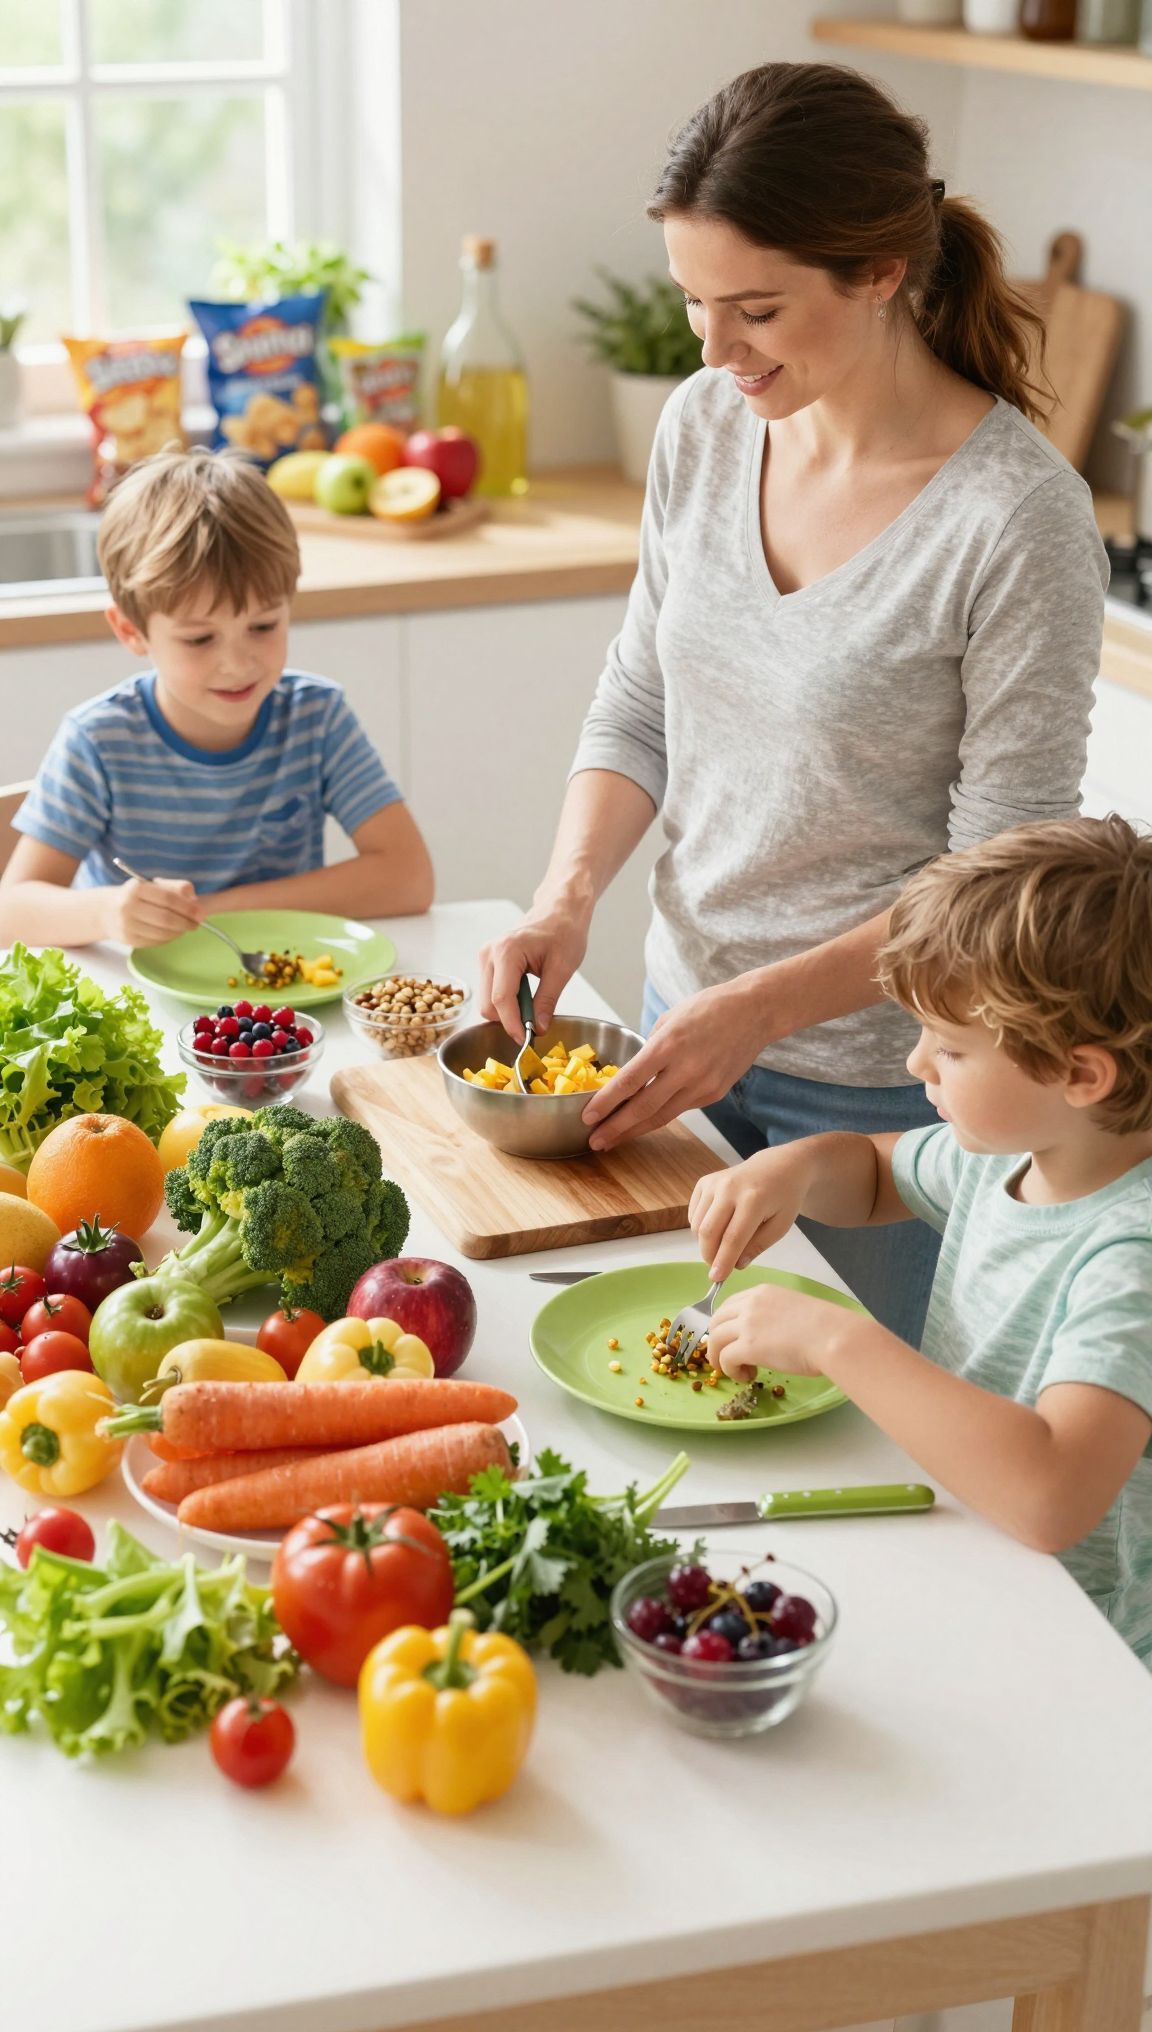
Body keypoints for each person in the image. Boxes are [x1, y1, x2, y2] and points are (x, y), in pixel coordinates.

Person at [478, 62, 1107, 1348]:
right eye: (696, 303)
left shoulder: (1015, 520)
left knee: (850, 1467)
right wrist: (565, 895)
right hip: (678, 1035)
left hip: (900, 1105)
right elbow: (642, 694)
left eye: (755, 308)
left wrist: (762, 1006)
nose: (713, 351)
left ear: (878, 271)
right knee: (672, 1409)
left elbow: (993, 892)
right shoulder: (707, 428)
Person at [692, 814, 1152, 1672]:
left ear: (1081, 1075)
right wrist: (789, 1171)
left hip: (1077, 1651)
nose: (915, 1068)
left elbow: (1052, 1493)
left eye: (950, 1048)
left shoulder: (1132, 1254)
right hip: (970, 1562)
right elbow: (870, 1175)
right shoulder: (1015, 1154)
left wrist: (836, 1339)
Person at [0, 448, 433, 949]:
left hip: (278, 993)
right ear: (131, 630)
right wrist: (107, 913)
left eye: (263, 626)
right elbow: (12, 909)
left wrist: (209, 911)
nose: (238, 663)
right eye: (200, 639)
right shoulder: (99, 740)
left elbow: (408, 877)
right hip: (141, 998)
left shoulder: (317, 718)